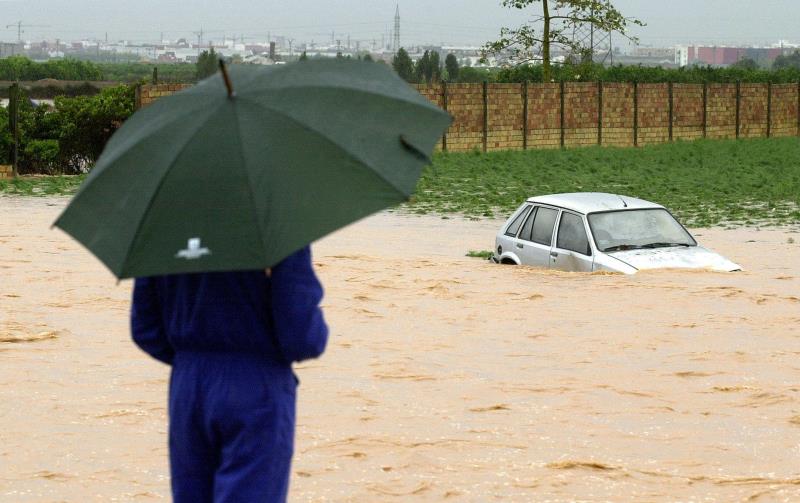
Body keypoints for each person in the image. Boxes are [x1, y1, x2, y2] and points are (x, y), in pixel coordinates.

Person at [130, 245, 328, 502]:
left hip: (188, 386)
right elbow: (302, 338)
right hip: (255, 383)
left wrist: (191, 358)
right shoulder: (276, 225)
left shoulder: (162, 229)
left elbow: (145, 329)